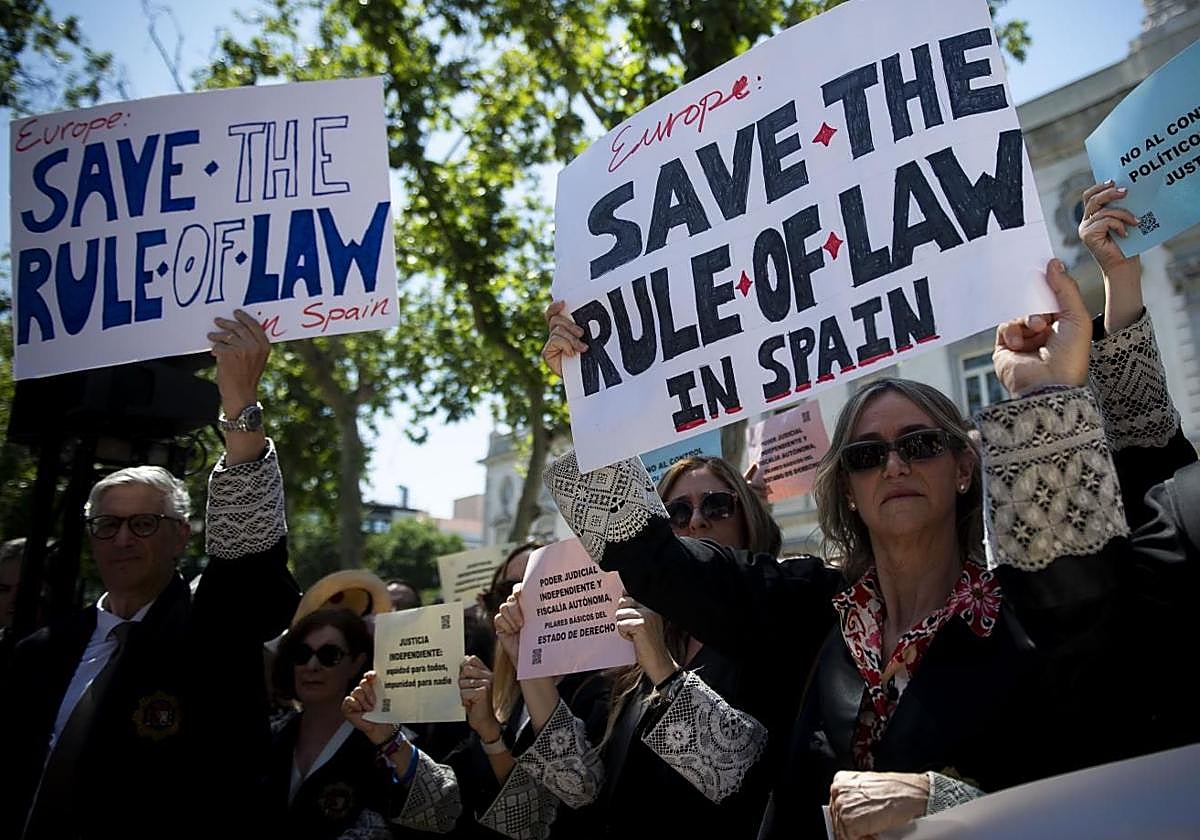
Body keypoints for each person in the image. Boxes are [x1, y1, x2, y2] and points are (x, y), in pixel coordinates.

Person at [538, 227, 1193, 837]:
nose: (896, 465)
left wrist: (940, 805)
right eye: (866, 455)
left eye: (920, 444)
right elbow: (658, 561)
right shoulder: (802, 610)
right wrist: (589, 401)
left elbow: (1093, 765)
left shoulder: (1026, 616)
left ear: (965, 466)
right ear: (846, 490)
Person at [1, 309, 300, 840]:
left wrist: (239, 404)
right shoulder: (40, 651)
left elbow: (249, 565)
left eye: (143, 523)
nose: (122, 539)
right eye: (107, 525)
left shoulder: (213, 633)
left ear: (181, 536)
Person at [479, 457, 784, 839]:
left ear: (748, 517)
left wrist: (663, 667)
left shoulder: (778, 625)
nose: (696, 521)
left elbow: (742, 777)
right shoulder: (632, 637)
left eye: (716, 505)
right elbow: (581, 787)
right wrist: (530, 663)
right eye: (675, 512)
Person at [266, 607, 406, 838]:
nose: (311, 665)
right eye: (302, 654)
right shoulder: (269, 735)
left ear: (356, 663)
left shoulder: (386, 747)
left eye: (329, 655)